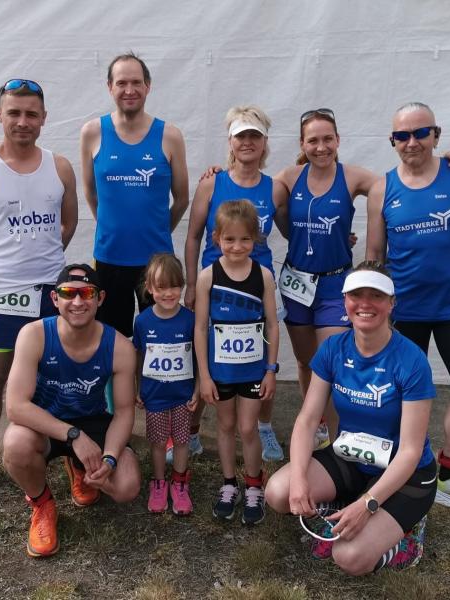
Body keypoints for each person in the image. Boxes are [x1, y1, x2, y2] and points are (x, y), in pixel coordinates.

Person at [273, 109, 450, 448]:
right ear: (302, 144)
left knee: (333, 366)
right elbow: (256, 195)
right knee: (306, 362)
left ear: (338, 140)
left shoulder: (352, 177)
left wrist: (443, 162)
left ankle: (339, 442)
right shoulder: (289, 177)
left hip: (335, 284)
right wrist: (219, 174)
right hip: (297, 284)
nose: (321, 147)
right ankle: (319, 424)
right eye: (313, 140)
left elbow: (401, 181)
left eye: (328, 139)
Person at [365, 101, 450, 514]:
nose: (412, 142)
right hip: (402, 312)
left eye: (421, 132)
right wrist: (373, 310)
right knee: (397, 395)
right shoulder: (382, 189)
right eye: (402, 135)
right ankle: (404, 470)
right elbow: (374, 256)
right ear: (392, 141)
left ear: (436, 135)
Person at [265, 262, 437, 574]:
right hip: (353, 457)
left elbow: (411, 451)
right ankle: (345, 507)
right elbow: (307, 420)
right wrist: (300, 479)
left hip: (406, 473)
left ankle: (408, 538)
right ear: (345, 300)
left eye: (376, 296)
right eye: (357, 295)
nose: (365, 304)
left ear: (391, 303)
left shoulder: (411, 361)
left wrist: (368, 504)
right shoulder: (334, 348)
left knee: (349, 556)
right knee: (278, 492)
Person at [0, 79, 78, 505]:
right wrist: (0, 267)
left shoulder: (60, 167)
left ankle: (68, 455)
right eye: (14, 113)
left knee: (59, 375)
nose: (23, 121)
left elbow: (67, 224)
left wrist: (44, 264)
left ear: (43, 118)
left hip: (52, 294)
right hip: (5, 294)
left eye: (31, 114)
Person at [2, 264, 141, 558]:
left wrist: (110, 459)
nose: (78, 302)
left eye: (87, 293)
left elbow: (124, 411)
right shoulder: (34, 335)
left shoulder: (120, 347)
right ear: (55, 299)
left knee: (127, 487)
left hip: (92, 420)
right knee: (15, 445)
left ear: (100, 298)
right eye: (68, 293)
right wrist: (74, 435)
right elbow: (15, 406)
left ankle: (80, 466)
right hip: (46, 423)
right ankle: (42, 504)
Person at [183, 105, 284, 462]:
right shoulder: (212, 183)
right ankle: (192, 431)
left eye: (255, 136)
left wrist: (340, 237)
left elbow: (294, 230)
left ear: (265, 142)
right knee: (208, 358)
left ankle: (263, 428)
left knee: (262, 357)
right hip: (216, 285)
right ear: (230, 141)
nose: (247, 142)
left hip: (259, 287)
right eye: (241, 136)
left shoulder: (275, 188)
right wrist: (191, 283)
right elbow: (193, 236)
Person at [80, 52, 189, 338]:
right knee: (113, 339)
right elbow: (90, 192)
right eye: (121, 83)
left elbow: (182, 198)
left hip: (156, 261)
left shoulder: (170, 135)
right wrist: (113, 227)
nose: (129, 90)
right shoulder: (92, 132)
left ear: (147, 86)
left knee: (159, 338)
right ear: (110, 87)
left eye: (136, 82)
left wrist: (158, 230)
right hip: (110, 258)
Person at [195, 200, 280, 526]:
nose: (237, 246)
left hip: (253, 369)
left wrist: (271, 369)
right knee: (226, 426)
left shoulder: (263, 275)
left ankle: (254, 484)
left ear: (255, 238)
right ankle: (229, 483)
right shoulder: (207, 276)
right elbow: (200, 328)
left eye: (245, 239)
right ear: (216, 238)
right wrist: (204, 376)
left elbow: (273, 325)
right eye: (229, 239)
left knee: (248, 427)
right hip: (221, 370)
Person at [133, 253, 198, 515]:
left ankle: (180, 482)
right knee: (158, 442)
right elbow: (139, 356)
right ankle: (159, 482)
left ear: (182, 286)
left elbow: (198, 358)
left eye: (174, 286)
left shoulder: (190, 320)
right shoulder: (142, 321)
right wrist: (137, 387)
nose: (168, 293)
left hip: (183, 395)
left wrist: (197, 389)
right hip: (155, 396)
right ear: (149, 288)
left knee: (181, 441)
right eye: (161, 287)